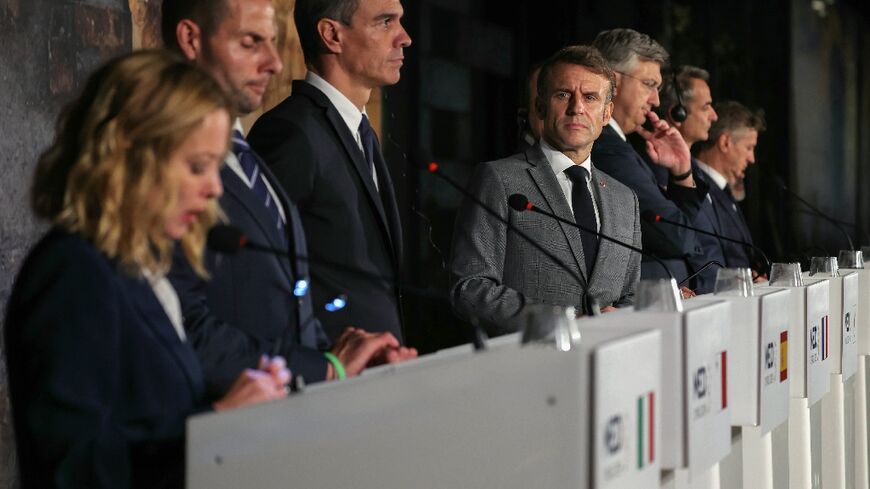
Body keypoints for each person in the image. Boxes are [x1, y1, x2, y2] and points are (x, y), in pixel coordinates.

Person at [4, 50, 289, 489]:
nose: (215, 187)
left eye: (216, 165)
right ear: (131, 155)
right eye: (198, 166)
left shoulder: (138, 269)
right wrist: (219, 421)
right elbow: (72, 468)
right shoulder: (74, 273)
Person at [162, 0, 415, 398]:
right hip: (247, 407)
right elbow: (205, 306)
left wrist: (337, 360)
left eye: (273, 42)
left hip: (328, 383)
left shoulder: (352, 135)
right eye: (250, 42)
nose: (276, 64)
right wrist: (323, 368)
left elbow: (285, 282)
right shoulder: (289, 133)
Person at [247, 0, 412, 343]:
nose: (404, 38)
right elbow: (258, 272)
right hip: (330, 372)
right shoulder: (291, 132)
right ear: (332, 35)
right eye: (385, 22)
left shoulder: (359, 131)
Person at [450, 45, 641, 336]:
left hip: (607, 365)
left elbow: (629, 295)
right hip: (531, 366)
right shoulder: (499, 180)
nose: (577, 107)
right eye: (563, 94)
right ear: (539, 107)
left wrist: (624, 316)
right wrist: (562, 321)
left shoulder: (625, 200)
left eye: (590, 98)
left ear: (606, 113)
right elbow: (470, 288)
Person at [590, 29, 710, 290]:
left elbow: (680, 230)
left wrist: (681, 172)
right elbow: (676, 236)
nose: (655, 100)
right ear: (612, 80)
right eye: (649, 85)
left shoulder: (620, 145)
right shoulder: (607, 148)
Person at [656, 65, 723, 292]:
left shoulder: (699, 171)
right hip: (697, 295)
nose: (714, 115)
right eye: (706, 107)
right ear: (678, 113)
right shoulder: (660, 169)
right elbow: (682, 236)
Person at [695, 100, 766, 271]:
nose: (752, 158)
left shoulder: (726, 191)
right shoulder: (694, 186)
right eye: (749, 147)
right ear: (725, 142)